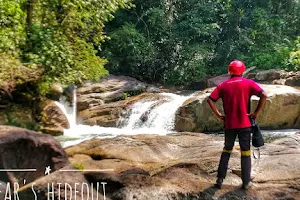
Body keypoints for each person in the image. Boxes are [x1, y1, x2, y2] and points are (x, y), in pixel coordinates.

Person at [207, 60, 267, 190]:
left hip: (229, 124)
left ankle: (219, 179)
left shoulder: (222, 86)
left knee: (227, 150)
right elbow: (264, 95)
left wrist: (218, 115)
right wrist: (256, 112)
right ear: (242, 71)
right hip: (245, 124)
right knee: (245, 152)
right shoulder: (249, 83)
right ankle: (246, 183)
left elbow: (210, 100)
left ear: (229, 71)